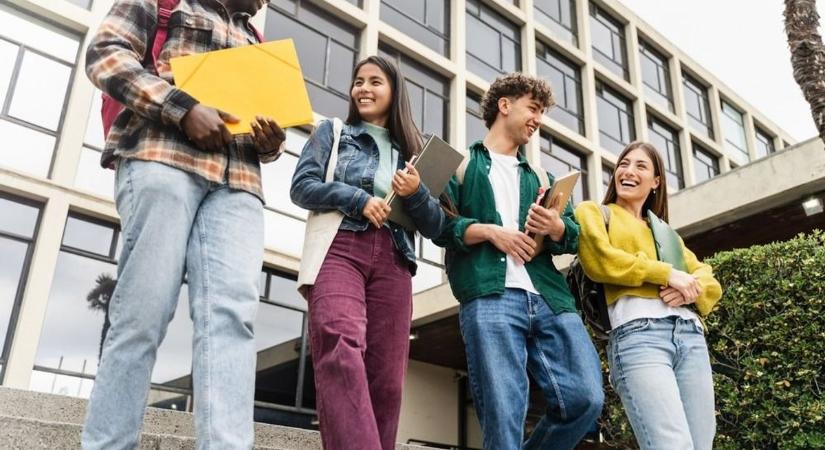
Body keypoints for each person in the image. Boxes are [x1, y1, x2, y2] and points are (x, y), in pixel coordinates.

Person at [82, 0, 284, 448]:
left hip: (239, 183)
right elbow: (105, 54)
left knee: (233, 322)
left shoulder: (256, 40)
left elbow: (261, 131)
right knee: (141, 314)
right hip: (162, 158)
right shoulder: (163, 3)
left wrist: (271, 142)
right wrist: (182, 106)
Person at [434, 73, 603, 450]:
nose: (538, 119)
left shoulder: (544, 176)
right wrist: (491, 232)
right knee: (504, 412)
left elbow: (573, 237)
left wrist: (557, 227)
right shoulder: (459, 166)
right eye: (533, 107)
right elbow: (440, 226)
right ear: (504, 105)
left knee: (585, 399)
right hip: (489, 294)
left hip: (549, 297)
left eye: (541, 112)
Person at [290, 55, 446, 450]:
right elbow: (301, 186)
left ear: (394, 92)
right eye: (358, 81)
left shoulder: (413, 152)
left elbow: (435, 226)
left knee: (388, 380)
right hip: (340, 245)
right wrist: (357, 198)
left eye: (375, 81)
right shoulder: (333, 131)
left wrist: (417, 193)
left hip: (394, 259)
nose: (363, 88)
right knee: (340, 345)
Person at [575, 141, 723, 450]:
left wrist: (689, 293)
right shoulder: (594, 212)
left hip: (690, 336)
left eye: (640, 166)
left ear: (656, 182)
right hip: (638, 336)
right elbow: (600, 260)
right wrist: (666, 273)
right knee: (672, 445)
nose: (628, 172)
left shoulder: (667, 233)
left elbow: (708, 279)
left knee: (701, 445)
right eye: (623, 164)